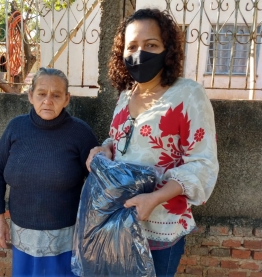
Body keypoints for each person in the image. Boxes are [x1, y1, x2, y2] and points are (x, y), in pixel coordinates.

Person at [86, 8, 219, 276]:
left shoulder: (188, 94)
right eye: (132, 46)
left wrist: (155, 197)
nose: (140, 53)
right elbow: (121, 140)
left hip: (160, 227)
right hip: (118, 222)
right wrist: (104, 149)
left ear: (167, 49)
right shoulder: (125, 95)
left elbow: (203, 164)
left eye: (151, 45)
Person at [0, 67, 99, 276]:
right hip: (22, 235)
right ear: (30, 96)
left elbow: (98, 182)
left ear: (67, 99)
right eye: (41, 93)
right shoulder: (15, 128)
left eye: (56, 95)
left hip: (66, 239)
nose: (48, 100)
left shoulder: (80, 133)